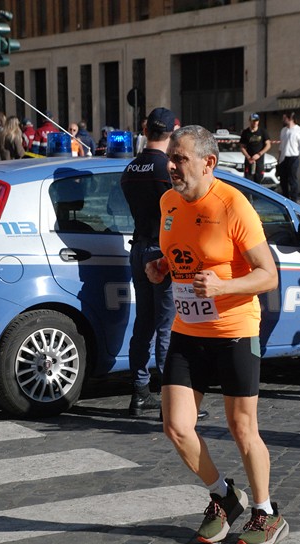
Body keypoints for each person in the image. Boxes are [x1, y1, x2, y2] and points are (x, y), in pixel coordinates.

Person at [145, 125, 288, 544]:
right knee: (176, 427)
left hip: (234, 331)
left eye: (179, 159)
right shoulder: (168, 201)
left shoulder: (233, 205)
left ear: (208, 163)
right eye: (170, 157)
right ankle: (224, 495)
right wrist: (163, 267)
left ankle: (266, 511)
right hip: (189, 331)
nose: (170, 166)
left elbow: (268, 274)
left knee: (242, 429)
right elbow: (180, 255)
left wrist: (223, 288)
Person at [120, 107, 177, 418]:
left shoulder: (131, 168)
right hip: (162, 253)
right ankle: (172, 401)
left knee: (144, 324)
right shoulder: (165, 169)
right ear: (171, 131)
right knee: (167, 327)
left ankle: (140, 393)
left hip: (138, 248)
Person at [278, 111, 300, 201]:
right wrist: (279, 159)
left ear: (289, 118)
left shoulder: (298, 130)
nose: (283, 120)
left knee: (292, 180)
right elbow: (281, 146)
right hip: (283, 158)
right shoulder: (283, 130)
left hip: (293, 157)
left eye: (284, 118)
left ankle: (294, 200)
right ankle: (285, 199)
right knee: (283, 180)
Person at [240, 112, 271, 184]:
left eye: (256, 121)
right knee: (248, 180)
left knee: (259, 178)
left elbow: (268, 145)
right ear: (250, 121)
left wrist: (259, 154)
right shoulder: (245, 132)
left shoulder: (263, 131)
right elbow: (242, 147)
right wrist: (248, 157)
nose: (255, 123)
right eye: (253, 121)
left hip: (259, 160)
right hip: (249, 160)